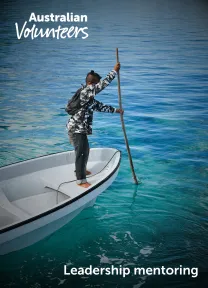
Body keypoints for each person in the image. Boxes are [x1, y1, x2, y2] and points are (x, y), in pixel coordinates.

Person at [67, 63, 123, 188]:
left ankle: (80, 170)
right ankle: (80, 180)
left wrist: (116, 110)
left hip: (80, 129)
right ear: (92, 84)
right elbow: (102, 85)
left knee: (85, 150)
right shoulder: (86, 91)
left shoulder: (89, 98)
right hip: (76, 128)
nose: (96, 89)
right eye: (96, 84)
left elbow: (100, 107)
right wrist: (114, 71)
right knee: (81, 153)